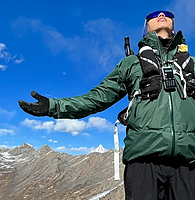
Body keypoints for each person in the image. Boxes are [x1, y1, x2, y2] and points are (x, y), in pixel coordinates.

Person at [19, 11, 195, 200]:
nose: (161, 14)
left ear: (174, 26)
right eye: (153, 15)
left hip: (188, 164)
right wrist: (54, 106)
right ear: (146, 29)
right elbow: (97, 98)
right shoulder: (131, 64)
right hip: (143, 161)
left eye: (168, 14)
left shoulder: (191, 64)